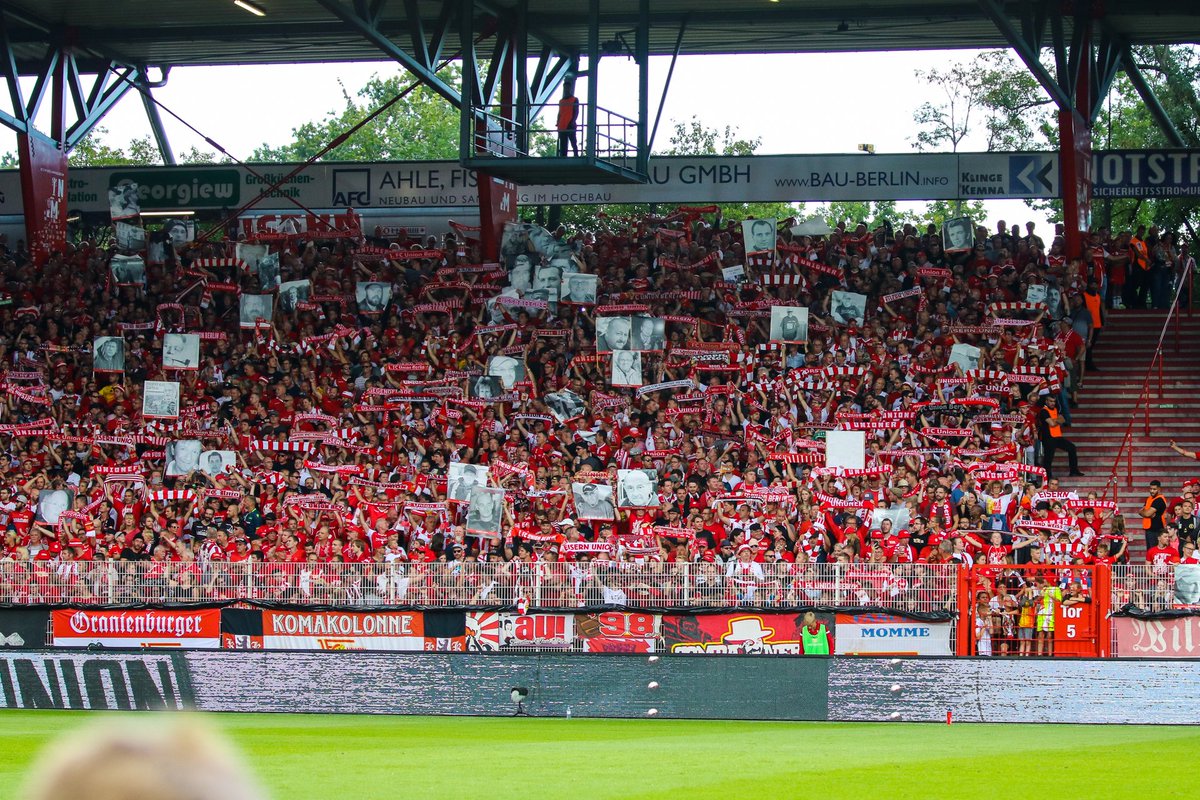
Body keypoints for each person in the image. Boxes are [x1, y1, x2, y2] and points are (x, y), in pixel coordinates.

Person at [1036, 395, 1082, 478]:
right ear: (1046, 401)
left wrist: (1054, 420)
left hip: (1058, 436)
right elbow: (1052, 424)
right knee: (1048, 458)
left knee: (1072, 448)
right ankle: (1047, 477)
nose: (1052, 403)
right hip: (1048, 438)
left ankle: (1074, 471)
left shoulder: (1056, 409)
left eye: (1054, 401)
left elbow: (1063, 420)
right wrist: (1057, 420)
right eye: (1050, 401)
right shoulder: (1044, 411)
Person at [1140, 480, 1169, 550]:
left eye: (1154, 489)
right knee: (1150, 551)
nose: (1152, 491)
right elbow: (1140, 511)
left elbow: (1146, 513)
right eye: (1151, 489)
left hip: (1157, 530)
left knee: (1155, 551)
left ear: (1159, 489)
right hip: (1149, 529)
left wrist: (1145, 513)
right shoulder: (1149, 499)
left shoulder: (1159, 500)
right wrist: (1146, 513)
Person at [556, 80, 579, 156]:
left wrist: (573, 121)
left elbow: (576, 111)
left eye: (567, 87)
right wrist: (558, 122)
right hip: (562, 124)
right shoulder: (561, 101)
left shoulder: (574, 99)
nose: (566, 89)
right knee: (563, 143)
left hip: (570, 123)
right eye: (565, 87)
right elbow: (560, 112)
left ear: (570, 88)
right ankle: (563, 156)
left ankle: (576, 155)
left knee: (573, 141)